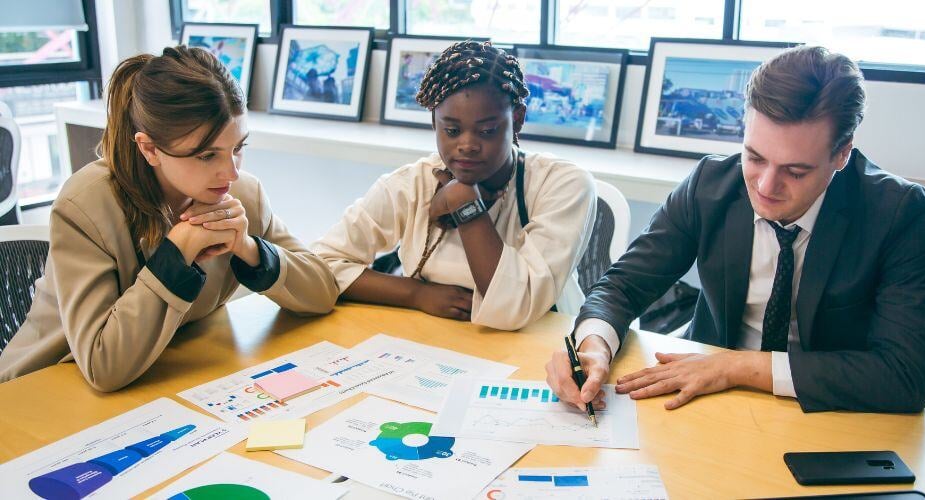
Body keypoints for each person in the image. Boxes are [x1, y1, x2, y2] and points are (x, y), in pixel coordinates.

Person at [546, 45, 925, 413]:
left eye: (796, 171)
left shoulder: (896, 212)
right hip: (709, 403)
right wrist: (593, 344)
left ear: (842, 153)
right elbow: (623, 286)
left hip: (823, 407)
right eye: (754, 157)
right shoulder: (710, 184)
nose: (766, 187)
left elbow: (907, 375)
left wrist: (737, 367)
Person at [0, 46, 339, 391]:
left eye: (237, 148)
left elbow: (323, 291)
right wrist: (177, 254)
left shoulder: (242, 195)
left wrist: (249, 248)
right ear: (149, 149)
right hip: (40, 389)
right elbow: (103, 365)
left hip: (156, 378)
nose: (231, 172)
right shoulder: (85, 206)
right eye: (207, 155)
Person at [313, 40, 596, 330]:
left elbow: (515, 307)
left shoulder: (563, 184)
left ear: (518, 119)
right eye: (452, 130)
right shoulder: (411, 184)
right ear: (434, 121)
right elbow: (320, 266)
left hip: (539, 345)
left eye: (487, 131)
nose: (467, 145)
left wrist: (464, 203)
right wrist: (416, 294)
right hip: (436, 343)